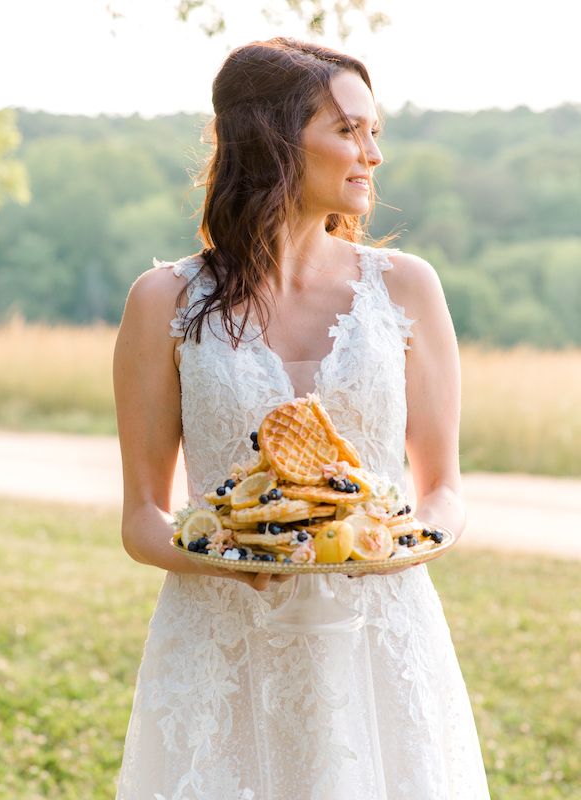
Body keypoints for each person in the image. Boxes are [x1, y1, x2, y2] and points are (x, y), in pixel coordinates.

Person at [113, 36, 491, 800]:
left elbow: (443, 489)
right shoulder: (163, 303)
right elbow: (142, 518)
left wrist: (401, 543)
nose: (372, 154)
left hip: (377, 642)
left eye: (373, 131)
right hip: (221, 648)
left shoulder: (408, 289)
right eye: (348, 130)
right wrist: (231, 558)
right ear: (275, 139)